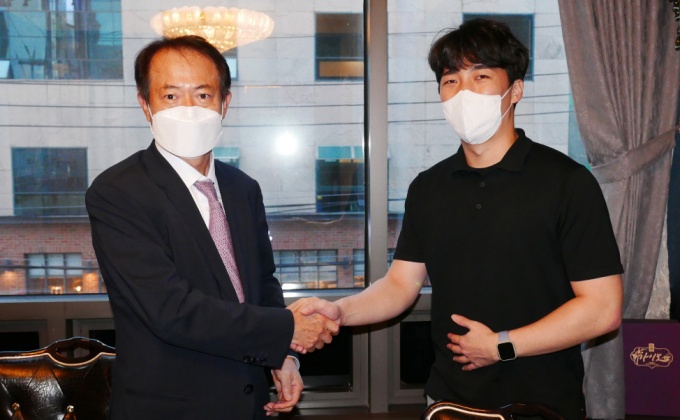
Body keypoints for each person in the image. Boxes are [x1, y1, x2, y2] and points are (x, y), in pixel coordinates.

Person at [294, 19, 623, 419]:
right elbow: (400, 284)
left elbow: (602, 308)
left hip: (543, 404)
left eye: (480, 76)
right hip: (447, 402)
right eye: (451, 81)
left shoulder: (567, 182)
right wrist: (341, 311)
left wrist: (501, 345)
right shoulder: (428, 187)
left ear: (515, 90)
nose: (463, 92)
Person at [86, 35, 337, 419]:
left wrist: (284, 357)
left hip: (251, 402)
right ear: (146, 105)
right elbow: (170, 310)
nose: (188, 109)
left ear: (224, 103)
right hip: (168, 408)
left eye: (203, 95)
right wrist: (286, 329)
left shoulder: (243, 188)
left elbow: (262, 283)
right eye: (171, 96)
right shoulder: (118, 192)